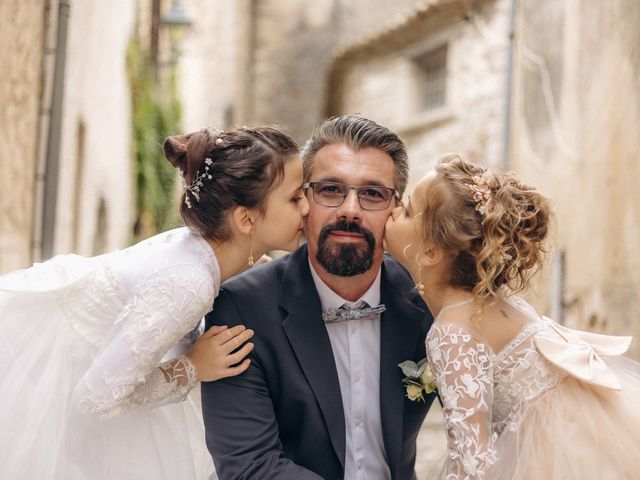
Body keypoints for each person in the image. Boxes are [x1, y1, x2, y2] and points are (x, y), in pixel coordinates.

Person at [0, 126, 309, 480]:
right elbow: (95, 397)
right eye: (295, 198)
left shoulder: (213, 253)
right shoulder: (188, 282)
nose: (307, 207)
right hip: (55, 377)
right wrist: (192, 367)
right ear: (246, 219)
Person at [201, 115, 436, 479]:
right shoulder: (241, 309)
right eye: (330, 189)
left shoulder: (427, 300)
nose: (350, 210)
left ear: (396, 211)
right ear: (303, 201)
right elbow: (250, 467)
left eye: (373, 194)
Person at [384, 154, 640, 479]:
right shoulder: (498, 300)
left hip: (551, 456)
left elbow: (473, 461)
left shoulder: (451, 332)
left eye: (406, 211)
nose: (393, 211)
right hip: (586, 435)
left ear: (431, 253)